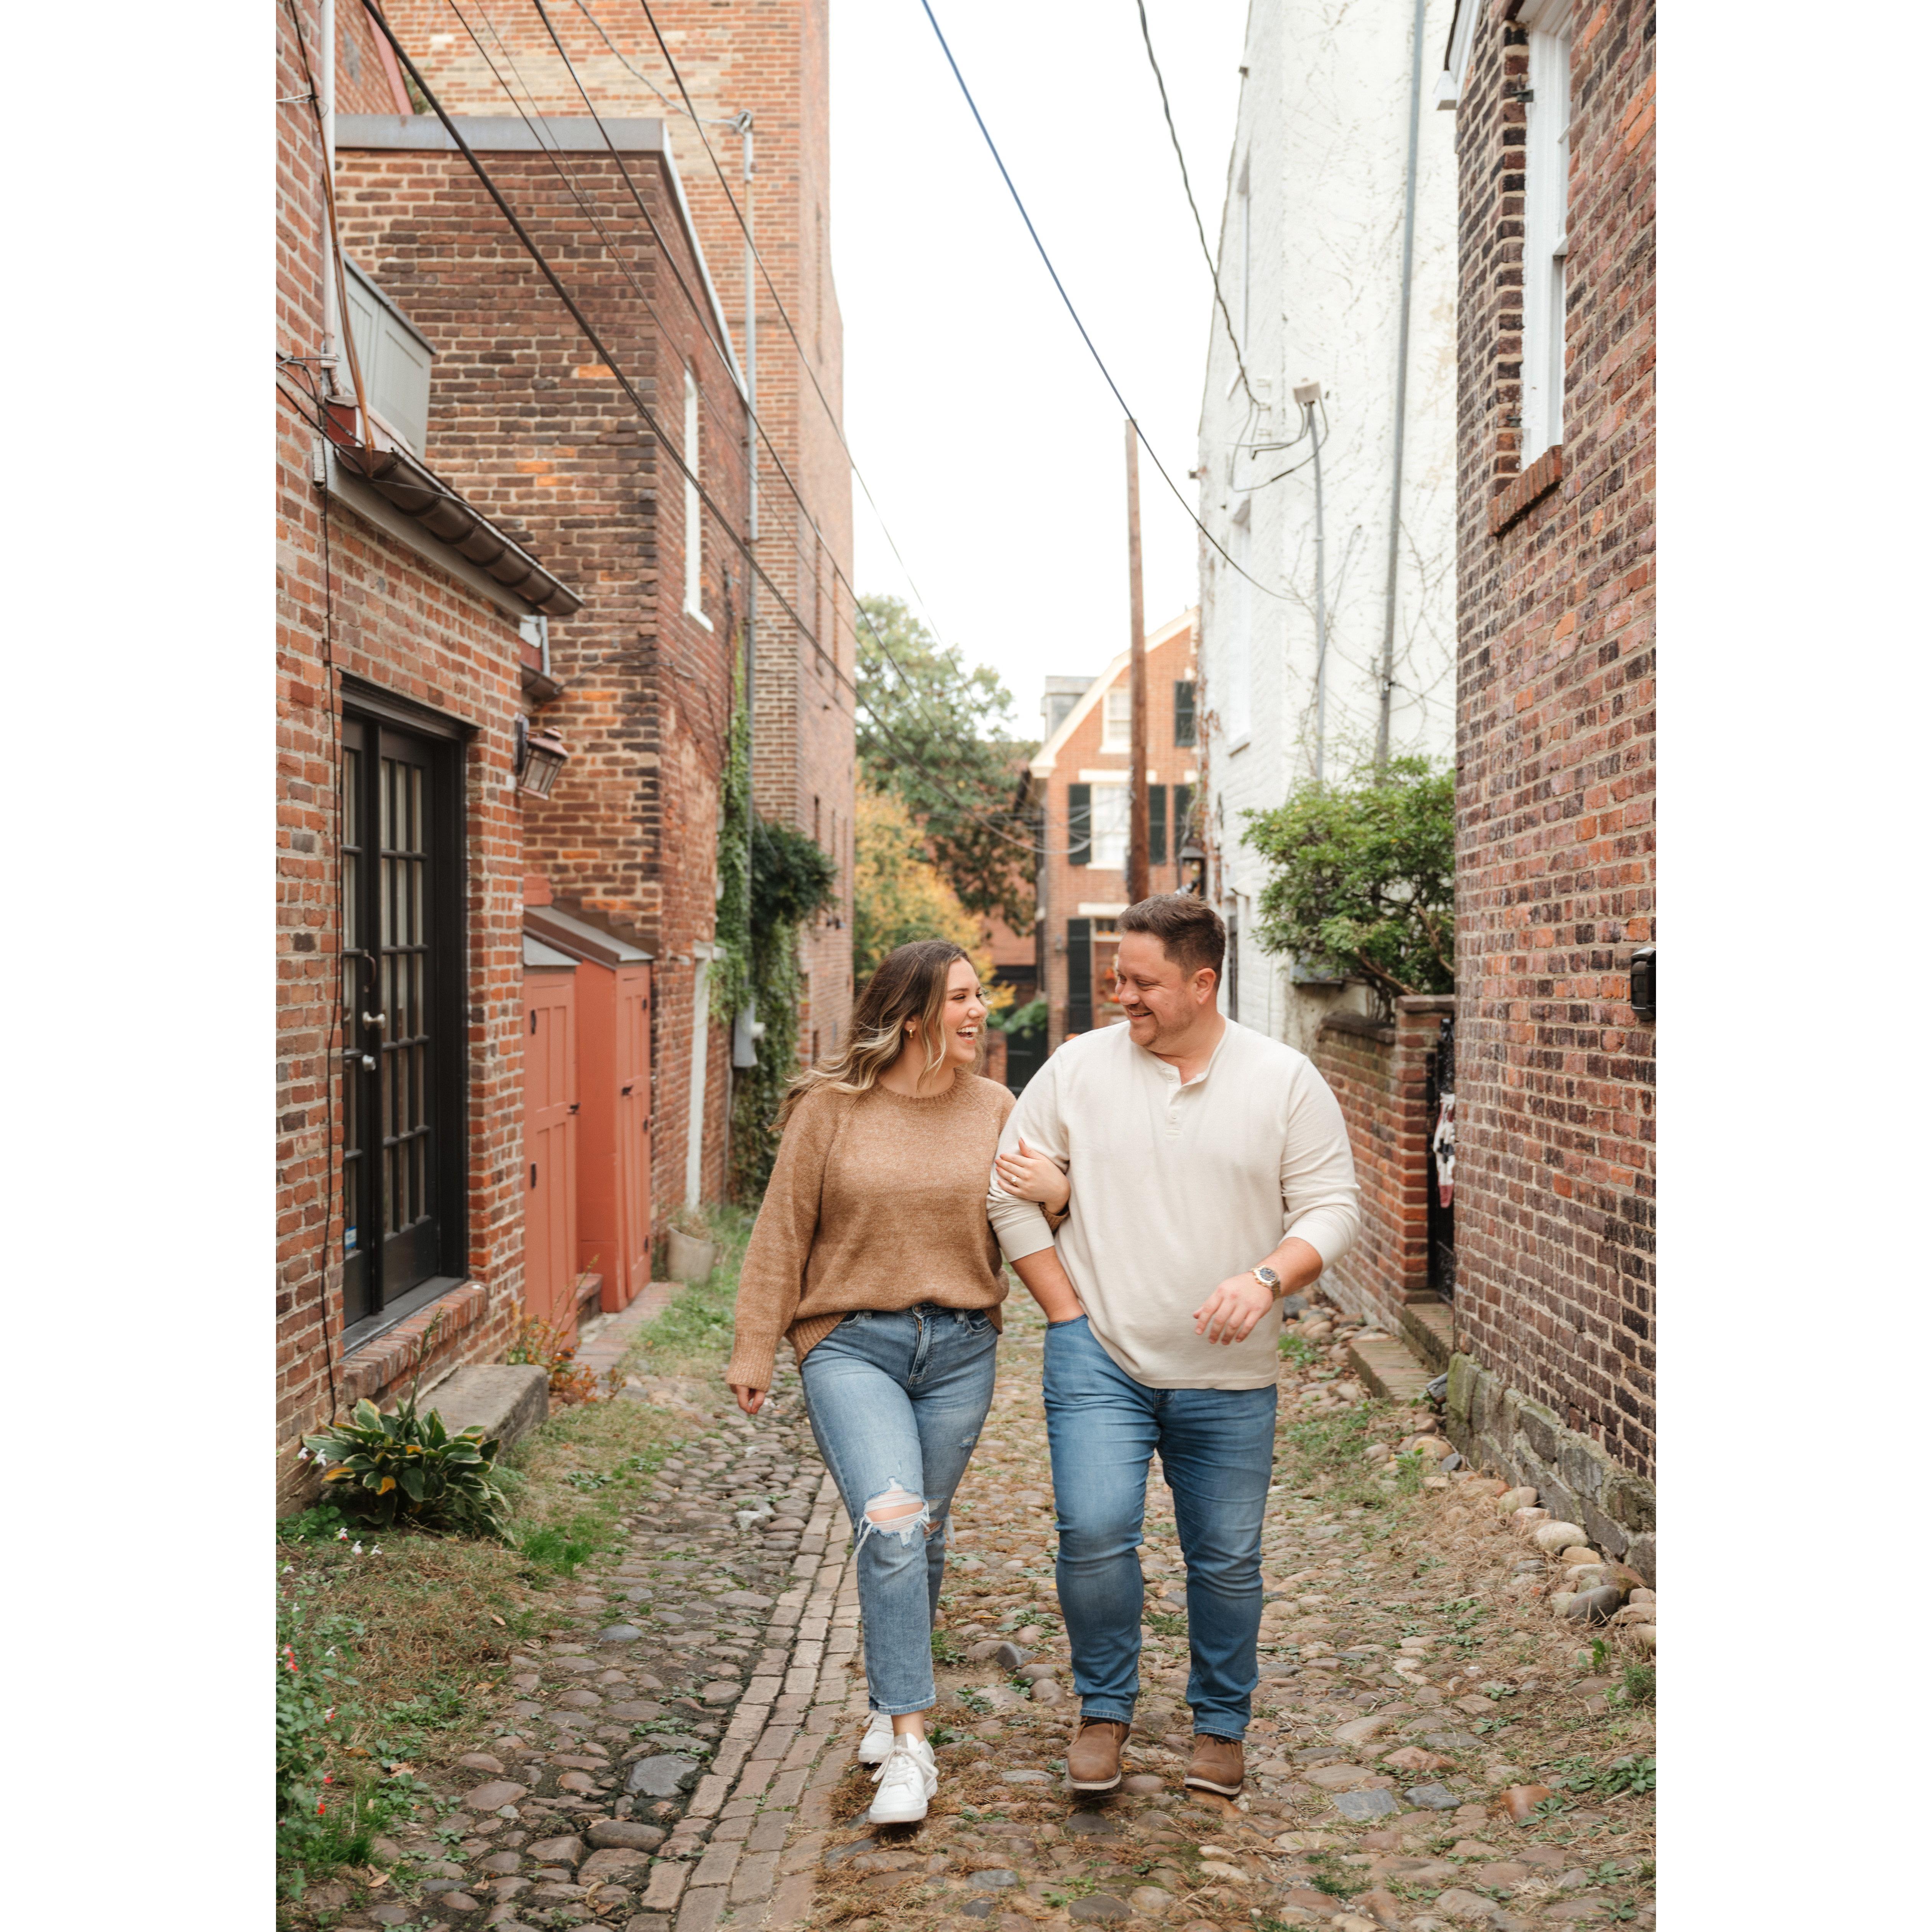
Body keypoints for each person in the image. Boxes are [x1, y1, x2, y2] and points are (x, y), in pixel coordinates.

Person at [987, 894, 1360, 1799]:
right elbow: (1005, 1190)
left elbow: (1332, 1209)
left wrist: (1266, 1278)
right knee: (1093, 1532)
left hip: (1229, 1374)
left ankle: (1221, 1725)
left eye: (1142, 983)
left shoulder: (1283, 1080)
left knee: (1226, 1559)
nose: (1123, 996)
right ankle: (1103, 1710)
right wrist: (1066, 1314)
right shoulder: (1077, 1070)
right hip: (1099, 1358)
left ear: (1202, 983)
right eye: (1118, 978)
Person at [727, 940, 1068, 1825]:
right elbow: (781, 1230)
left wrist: (1060, 1192)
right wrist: (755, 1347)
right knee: (894, 1521)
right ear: (913, 1016)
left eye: (979, 996)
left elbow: (1040, 1220)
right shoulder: (831, 1110)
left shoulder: (996, 1108)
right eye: (961, 997)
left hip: (961, 1350)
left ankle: (890, 1702)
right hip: (852, 1345)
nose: (979, 1011)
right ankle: (913, 1749)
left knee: (922, 1530)